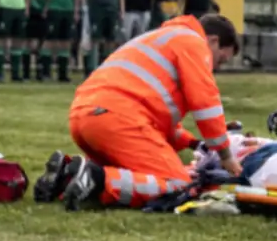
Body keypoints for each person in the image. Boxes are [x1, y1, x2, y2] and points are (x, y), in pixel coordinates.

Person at [34, 13, 242, 211]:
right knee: (178, 184)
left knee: (137, 174)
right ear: (213, 41)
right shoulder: (194, 44)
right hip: (118, 120)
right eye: (220, 60)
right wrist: (224, 154)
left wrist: (193, 143)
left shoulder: (162, 37)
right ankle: (96, 179)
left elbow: (156, 121)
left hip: (85, 117)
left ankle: (66, 177)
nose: (216, 68)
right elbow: (205, 101)